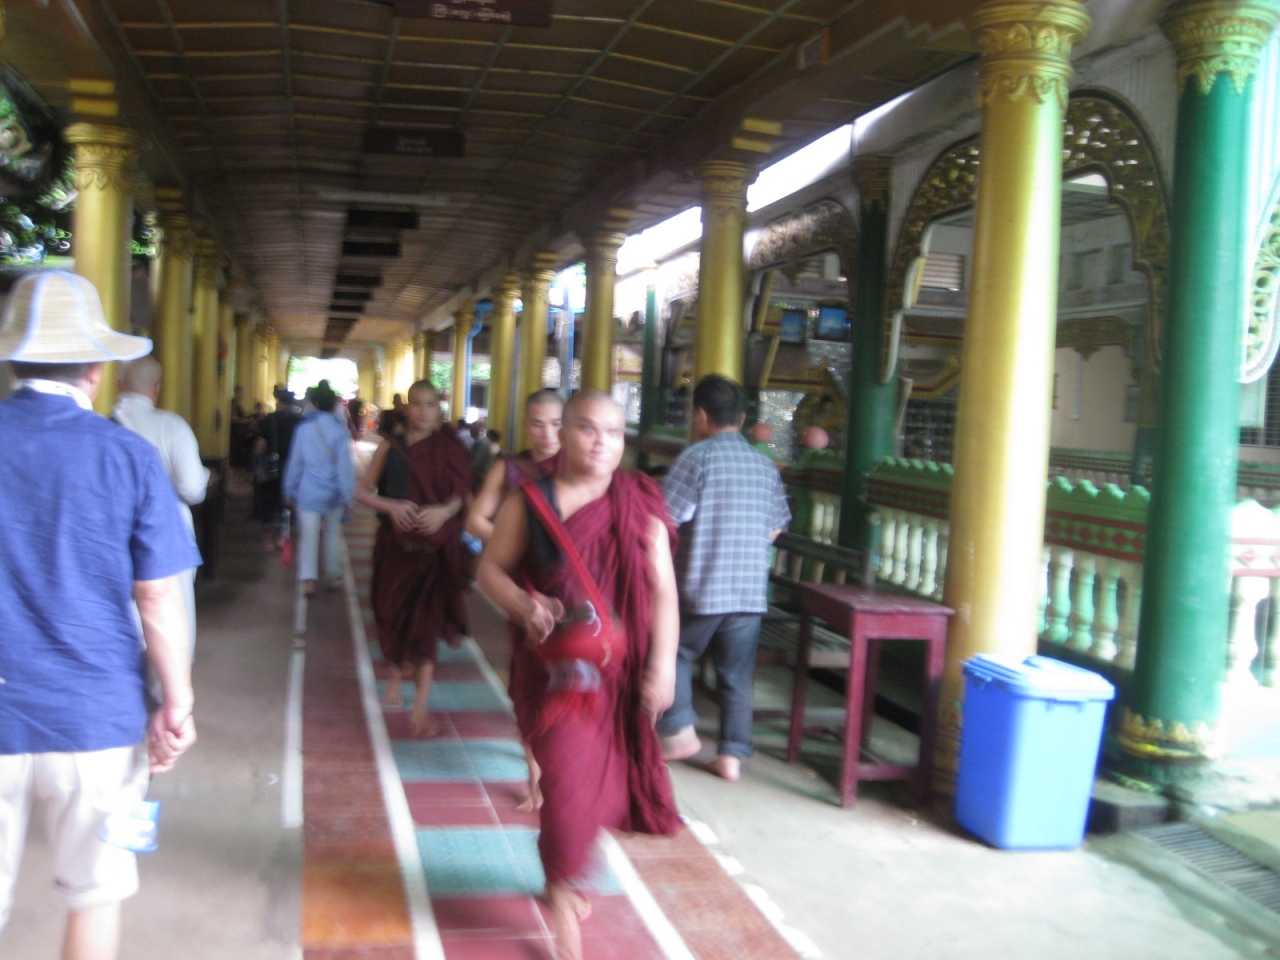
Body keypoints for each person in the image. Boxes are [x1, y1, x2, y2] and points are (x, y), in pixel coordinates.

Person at [0, 270, 200, 960]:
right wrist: (177, 701)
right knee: (95, 893)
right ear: (95, 368)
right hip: (96, 718)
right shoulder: (126, 456)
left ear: (14, 359)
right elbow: (156, 596)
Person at [477, 389, 681, 960]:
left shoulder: (638, 501)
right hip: (558, 679)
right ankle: (565, 900)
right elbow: (489, 570)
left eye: (613, 433)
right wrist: (522, 604)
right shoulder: (530, 502)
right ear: (563, 435)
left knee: (603, 787)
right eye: (588, 429)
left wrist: (663, 665)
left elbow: (663, 590)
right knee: (567, 784)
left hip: (621, 675)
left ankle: (563, 876)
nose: (601, 443)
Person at [655, 375, 791, 782]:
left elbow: (667, 518)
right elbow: (775, 528)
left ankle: (677, 730)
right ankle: (731, 756)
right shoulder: (764, 465)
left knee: (676, 652)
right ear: (742, 418)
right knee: (736, 673)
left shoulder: (697, 457)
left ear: (700, 415)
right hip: (749, 591)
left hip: (701, 587)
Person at [355, 380, 472, 738]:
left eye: (430, 404)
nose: (423, 411)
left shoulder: (449, 448)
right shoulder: (390, 448)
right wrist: (390, 506)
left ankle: (420, 705)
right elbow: (360, 490)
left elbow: (463, 494)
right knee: (390, 614)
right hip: (395, 547)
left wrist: (444, 512)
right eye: (417, 404)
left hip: (434, 552)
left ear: (439, 410)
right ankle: (394, 676)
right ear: (405, 408)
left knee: (427, 626)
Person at [465, 389, 564, 810]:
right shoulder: (510, 468)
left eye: (556, 424)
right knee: (529, 679)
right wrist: (517, 542)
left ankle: (564, 767)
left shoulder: (577, 468)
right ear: (525, 426)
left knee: (570, 682)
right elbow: (475, 519)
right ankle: (534, 775)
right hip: (524, 586)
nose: (547, 434)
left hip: (570, 586)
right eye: (538, 424)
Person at [113, 356, 209, 655]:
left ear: (116, 385)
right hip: (168, 530)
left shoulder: (101, 428)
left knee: (124, 617)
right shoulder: (172, 426)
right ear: (156, 388)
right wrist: (205, 476)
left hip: (114, 532)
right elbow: (193, 490)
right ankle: (170, 679)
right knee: (172, 616)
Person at [283, 382, 356, 597]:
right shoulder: (341, 432)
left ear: (314, 404)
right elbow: (345, 467)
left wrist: (289, 488)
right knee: (332, 534)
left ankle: (308, 581)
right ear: (334, 405)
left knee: (308, 536)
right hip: (333, 494)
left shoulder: (303, 430)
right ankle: (333, 576)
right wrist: (347, 495)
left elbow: (296, 463)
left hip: (308, 492)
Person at [254, 387, 301, 552]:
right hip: (291, 469)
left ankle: (268, 541)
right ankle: (283, 536)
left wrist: (257, 461)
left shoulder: (269, 419)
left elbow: (260, 445)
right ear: (292, 403)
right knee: (286, 503)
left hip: (271, 467)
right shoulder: (298, 421)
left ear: (279, 402)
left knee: (267, 503)